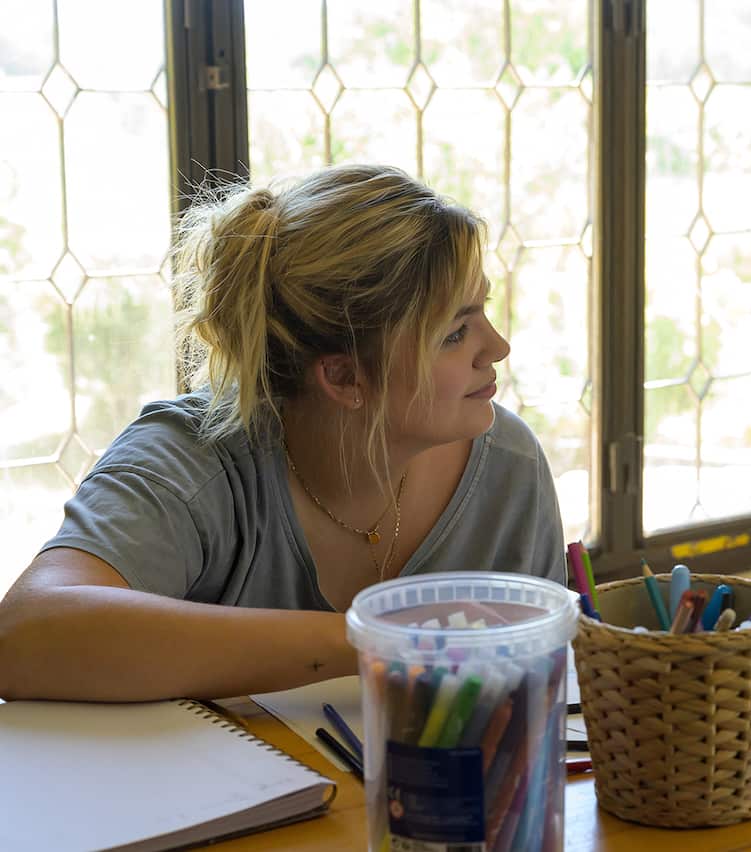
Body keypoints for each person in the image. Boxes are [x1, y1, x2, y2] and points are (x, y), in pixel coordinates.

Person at [0, 164, 566, 702]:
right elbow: (24, 637)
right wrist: (383, 641)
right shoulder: (191, 462)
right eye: (454, 333)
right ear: (344, 376)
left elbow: (539, 696)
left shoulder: (510, 467)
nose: (497, 347)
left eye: (483, 311)